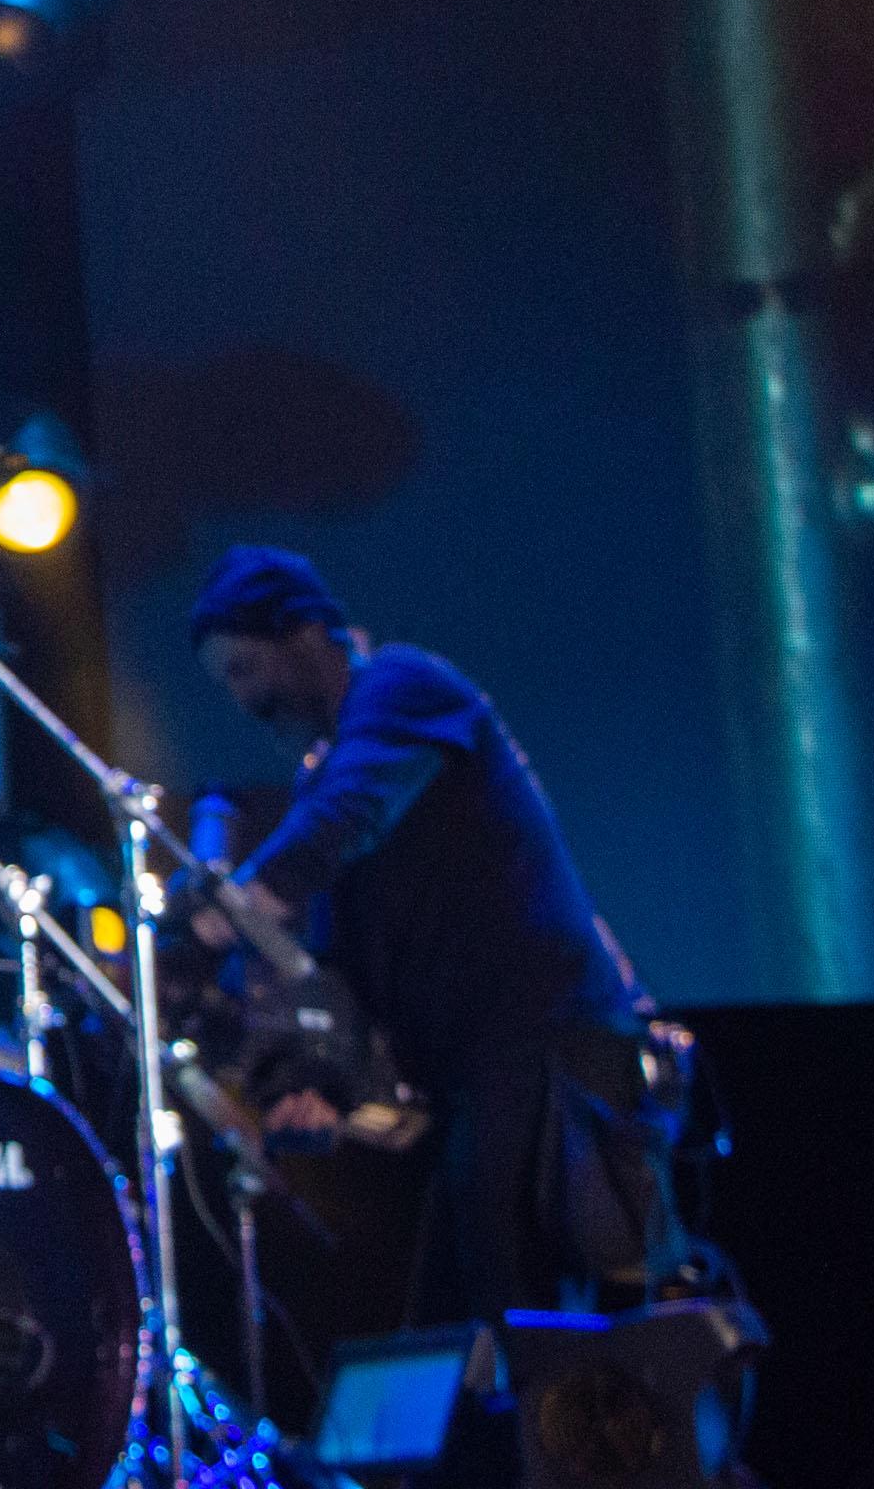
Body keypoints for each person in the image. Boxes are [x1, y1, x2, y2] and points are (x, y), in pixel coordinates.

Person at [186, 544, 671, 1324]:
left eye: (246, 670)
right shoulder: (333, 767)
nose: (246, 701)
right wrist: (318, 1082)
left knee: (508, 1312)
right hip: (488, 1068)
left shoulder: (404, 686)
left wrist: (234, 910)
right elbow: (340, 962)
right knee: (464, 1318)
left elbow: (347, 817)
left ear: (303, 634)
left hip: (548, 1050)